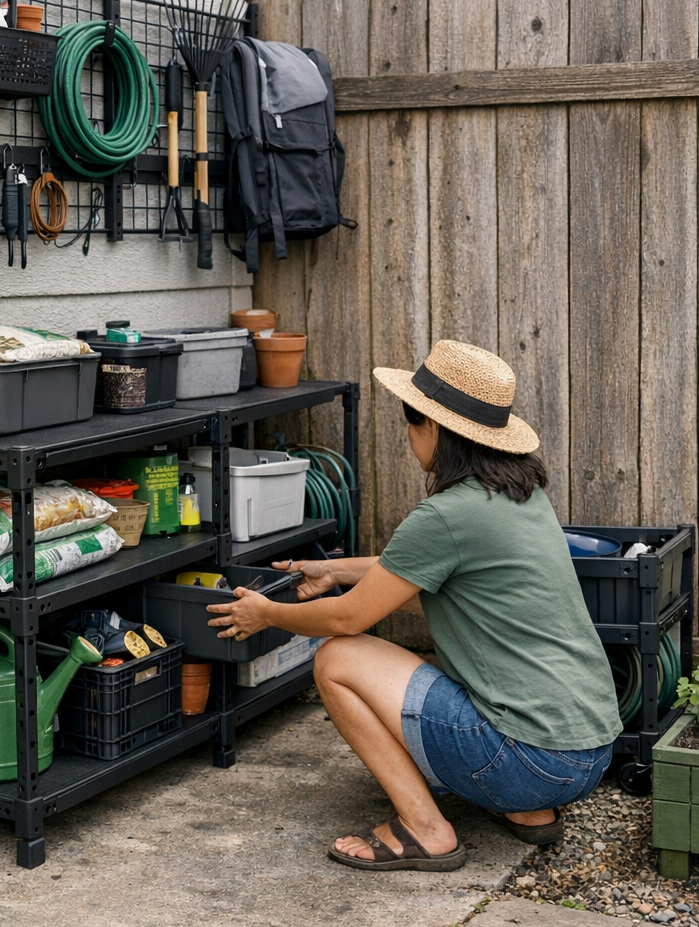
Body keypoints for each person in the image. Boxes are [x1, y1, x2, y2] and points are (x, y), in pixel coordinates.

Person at [208, 340, 621, 872]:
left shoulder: (447, 515)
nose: (408, 434)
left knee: (338, 659)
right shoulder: (519, 494)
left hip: (531, 761)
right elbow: (414, 566)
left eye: (411, 420)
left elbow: (348, 617)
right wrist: (334, 569)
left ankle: (425, 830)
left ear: (436, 428)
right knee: (425, 672)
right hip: (586, 752)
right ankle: (528, 813)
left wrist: (265, 614)